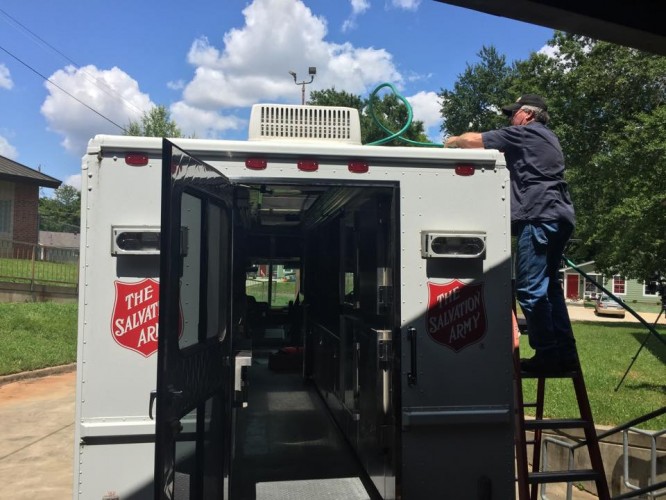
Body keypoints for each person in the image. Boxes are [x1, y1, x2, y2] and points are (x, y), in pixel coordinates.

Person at [444, 94, 578, 374]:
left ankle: (548, 358)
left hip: (540, 216)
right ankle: (565, 355)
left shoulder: (526, 134)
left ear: (527, 114)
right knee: (549, 288)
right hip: (558, 216)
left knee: (530, 289)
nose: (509, 118)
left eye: (513, 113)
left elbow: (473, 141)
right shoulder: (547, 137)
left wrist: (454, 140)